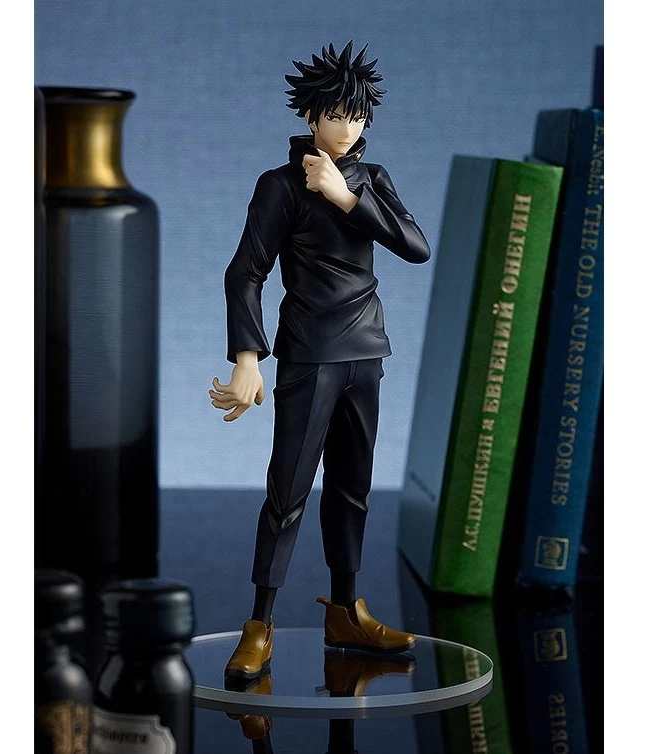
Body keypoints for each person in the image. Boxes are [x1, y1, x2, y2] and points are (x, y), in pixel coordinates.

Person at [209, 41, 431, 680]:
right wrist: (248, 357)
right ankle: (260, 623)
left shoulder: (371, 179)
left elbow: (416, 247)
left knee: (352, 488)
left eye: (357, 116)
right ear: (310, 116)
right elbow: (245, 271)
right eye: (336, 115)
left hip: (367, 351)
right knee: (288, 490)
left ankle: (346, 610)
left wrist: (346, 197)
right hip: (310, 353)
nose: (348, 128)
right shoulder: (280, 185)